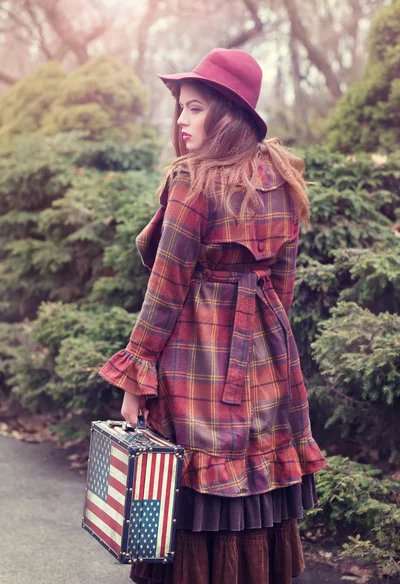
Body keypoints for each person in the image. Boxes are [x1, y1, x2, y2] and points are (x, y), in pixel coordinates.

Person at [98, 47, 328, 584]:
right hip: (267, 353)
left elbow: (165, 288)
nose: (182, 121)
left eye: (196, 108)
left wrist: (134, 381)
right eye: (181, 107)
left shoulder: (194, 183)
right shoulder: (283, 177)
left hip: (196, 352)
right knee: (253, 468)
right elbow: (284, 284)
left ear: (229, 113)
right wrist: (264, 344)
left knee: (195, 469)